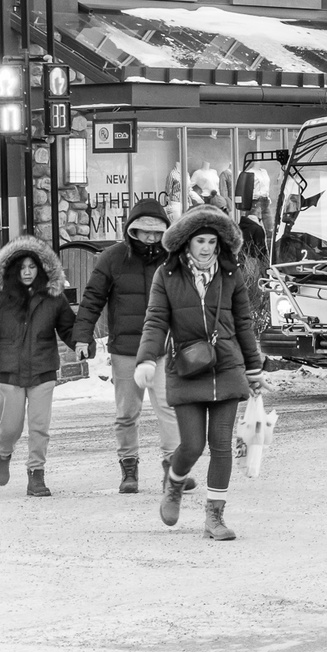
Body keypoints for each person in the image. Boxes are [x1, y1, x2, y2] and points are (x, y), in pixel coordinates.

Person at [135, 203, 264, 541]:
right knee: (191, 445)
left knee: (220, 444)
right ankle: (174, 485)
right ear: (186, 243)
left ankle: (214, 517)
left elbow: (244, 324)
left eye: (211, 241)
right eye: (200, 241)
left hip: (226, 365)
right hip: (187, 367)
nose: (206, 247)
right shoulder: (167, 275)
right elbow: (155, 320)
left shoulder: (231, 275)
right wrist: (147, 359)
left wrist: (254, 367)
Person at [72, 197, 187, 495]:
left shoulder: (174, 259)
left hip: (163, 347)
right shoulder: (111, 258)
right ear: (132, 231)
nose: (150, 237)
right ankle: (129, 469)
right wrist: (82, 336)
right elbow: (93, 298)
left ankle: (173, 470)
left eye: (156, 231)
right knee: (126, 413)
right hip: (125, 348)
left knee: (168, 407)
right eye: (144, 231)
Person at [0, 237, 77, 497]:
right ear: (11, 270)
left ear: (41, 268)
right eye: (22, 267)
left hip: (43, 370)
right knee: (11, 427)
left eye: (32, 266)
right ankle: (3, 453)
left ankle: (36, 474)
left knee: (40, 427)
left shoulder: (53, 297)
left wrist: (84, 343)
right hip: (10, 372)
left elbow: (69, 328)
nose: (27, 272)